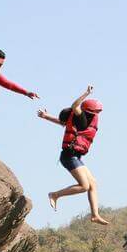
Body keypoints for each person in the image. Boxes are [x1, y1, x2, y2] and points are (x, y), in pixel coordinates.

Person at [37, 86, 108, 225]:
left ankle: (95, 215)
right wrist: (86, 94)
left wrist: (46, 116)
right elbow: (75, 106)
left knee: (93, 183)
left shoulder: (88, 120)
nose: (97, 114)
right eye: (96, 111)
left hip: (76, 157)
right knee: (84, 186)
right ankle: (55, 195)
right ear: (89, 111)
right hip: (69, 156)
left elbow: (63, 123)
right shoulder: (80, 116)